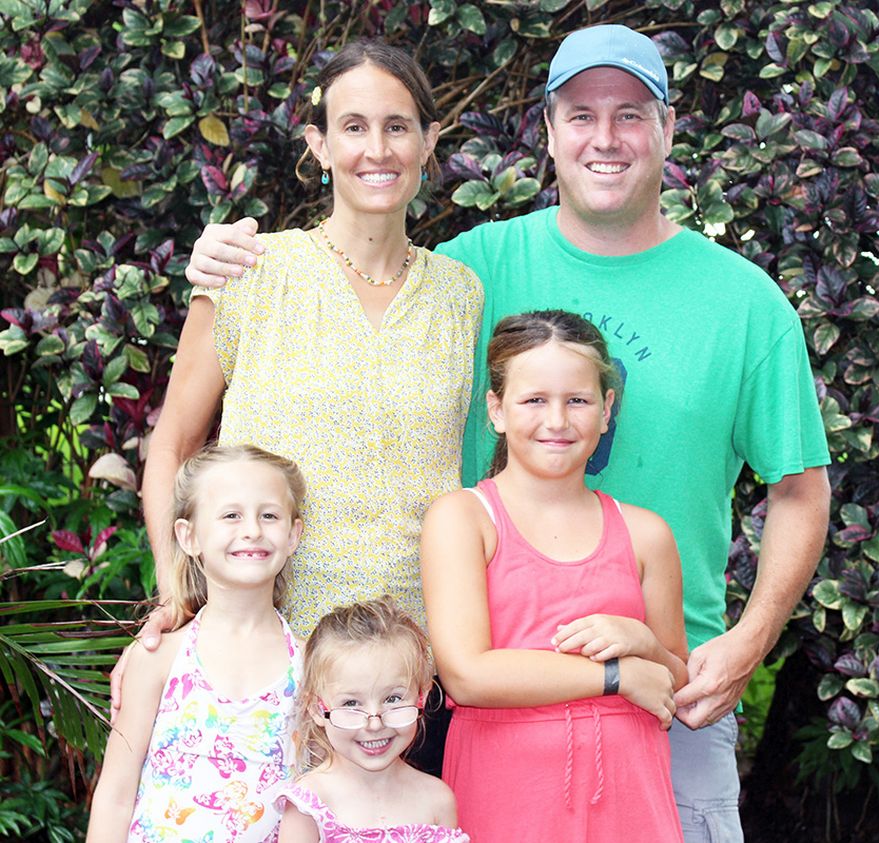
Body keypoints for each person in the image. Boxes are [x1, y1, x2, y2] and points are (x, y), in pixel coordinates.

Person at [186, 23, 832, 841]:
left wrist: (747, 640)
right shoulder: (468, 274)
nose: (606, 137)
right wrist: (226, 266)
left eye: (632, 114)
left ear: (669, 130)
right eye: (582, 115)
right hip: (493, 699)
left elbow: (801, 490)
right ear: (549, 133)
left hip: (670, 689)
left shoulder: (745, 304)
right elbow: (356, 294)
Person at [119, 39, 482, 721]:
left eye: (398, 126)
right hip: (264, 656)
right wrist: (175, 588)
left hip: (412, 681)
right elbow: (168, 447)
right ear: (318, 145)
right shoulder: (250, 273)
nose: (377, 149)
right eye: (353, 126)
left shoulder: (462, 295)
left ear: (430, 141)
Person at [420, 310, 687, 841]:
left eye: (579, 401)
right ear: (496, 409)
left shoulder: (646, 533)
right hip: (506, 790)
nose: (558, 421)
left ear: (607, 410)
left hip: (631, 790)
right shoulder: (463, 518)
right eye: (534, 400)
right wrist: (616, 675)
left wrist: (643, 645)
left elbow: (672, 678)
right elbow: (468, 676)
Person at [87, 444, 305, 842]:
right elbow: (115, 795)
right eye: (231, 515)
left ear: (293, 534)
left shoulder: (309, 665)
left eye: (269, 515)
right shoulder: (160, 658)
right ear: (188, 536)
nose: (252, 529)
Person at [277, 596, 469, 842]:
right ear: (315, 708)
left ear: (422, 696)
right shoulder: (308, 805)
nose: (375, 723)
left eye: (392, 699)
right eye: (351, 703)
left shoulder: (437, 800)